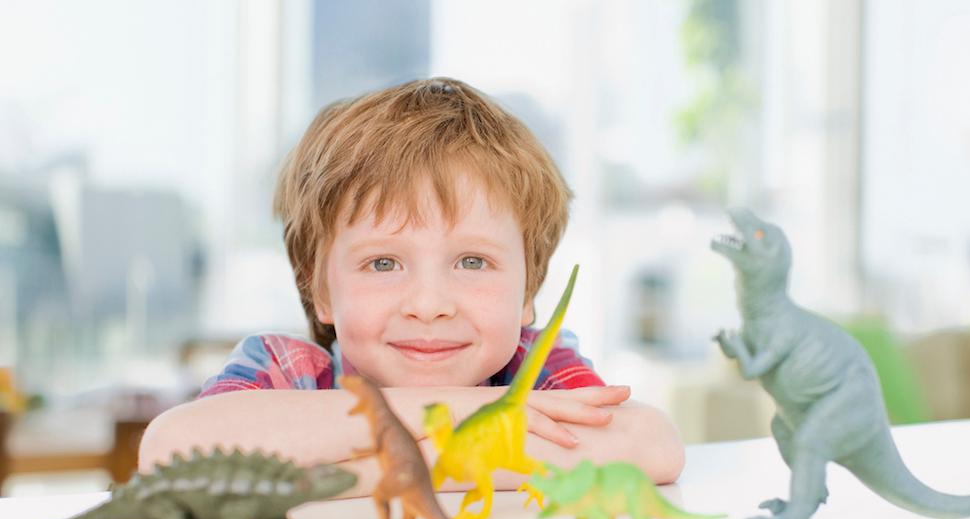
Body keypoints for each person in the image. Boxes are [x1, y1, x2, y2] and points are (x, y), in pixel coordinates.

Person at [138, 78, 684, 497]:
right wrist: (453, 413)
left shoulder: (534, 366)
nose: (428, 305)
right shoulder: (287, 370)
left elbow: (652, 445)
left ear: (527, 291)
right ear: (319, 289)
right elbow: (170, 452)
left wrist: (357, 469)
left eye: (472, 261)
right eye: (382, 264)